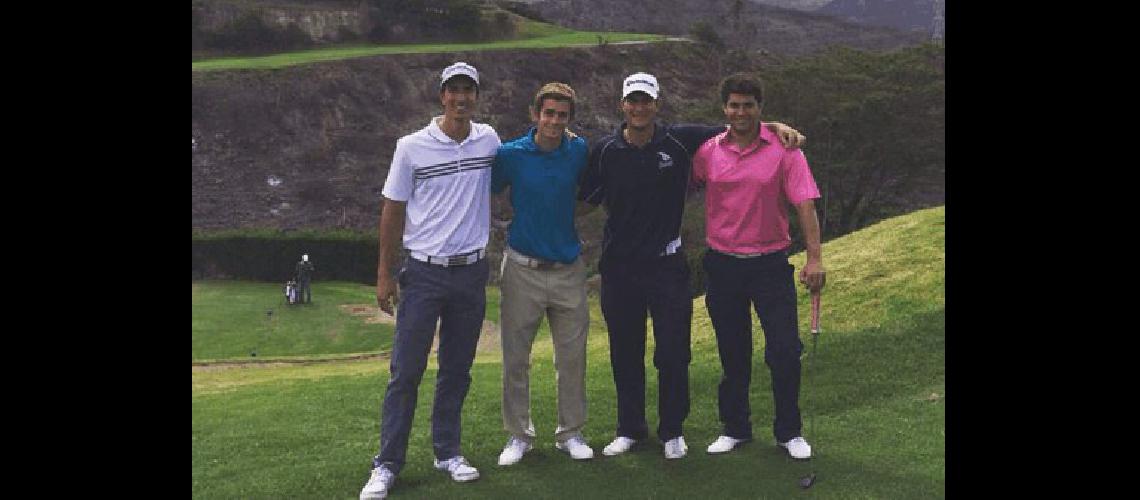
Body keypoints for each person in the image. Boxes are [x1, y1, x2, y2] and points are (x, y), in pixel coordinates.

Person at [576, 72, 804, 460]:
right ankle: (630, 428)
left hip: (667, 265)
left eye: (646, 100)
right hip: (619, 266)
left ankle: (672, 431)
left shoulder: (680, 140)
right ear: (623, 105)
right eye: (632, 100)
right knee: (625, 350)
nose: (639, 107)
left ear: (657, 104)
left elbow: (738, 123)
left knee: (673, 353)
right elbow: (584, 200)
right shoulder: (605, 150)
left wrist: (775, 127)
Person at [360, 61, 501, 500]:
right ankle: (386, 464)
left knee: (457, 370)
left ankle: (448, 451)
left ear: (476, 96)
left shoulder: (488, 140)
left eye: (468, 91)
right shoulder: (411, 147)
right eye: (453, 90)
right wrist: (384, 273)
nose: (461, 98)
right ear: (442, 96)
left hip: (471, 272)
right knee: (406, 371)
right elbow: (392, 209)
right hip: (422, 273)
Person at [690, 73, 825, 460]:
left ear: (760, 108)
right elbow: (686, 184)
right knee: (733, 353)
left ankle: (789, 431)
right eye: (734, 105)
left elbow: (804, 206)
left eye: (748, 105)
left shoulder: (786, 151)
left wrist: (815, 258)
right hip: (723, 265)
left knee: (783, 350)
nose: (741, 112)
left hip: (769, 263)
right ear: (724, 109)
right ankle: (735, 428)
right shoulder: (709, 151)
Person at [490, 82, 594, 466]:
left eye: (562, 115)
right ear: (535, 114)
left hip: (568, 268)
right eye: (548, 113)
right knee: (516, 358)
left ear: (569, 120)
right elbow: (485, 188)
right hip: (522, 268)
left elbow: (589, 194)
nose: (554, 121)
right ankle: (519, 435)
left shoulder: (578, 151)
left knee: (572, 358)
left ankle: (571, 433)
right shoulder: (511, 154)